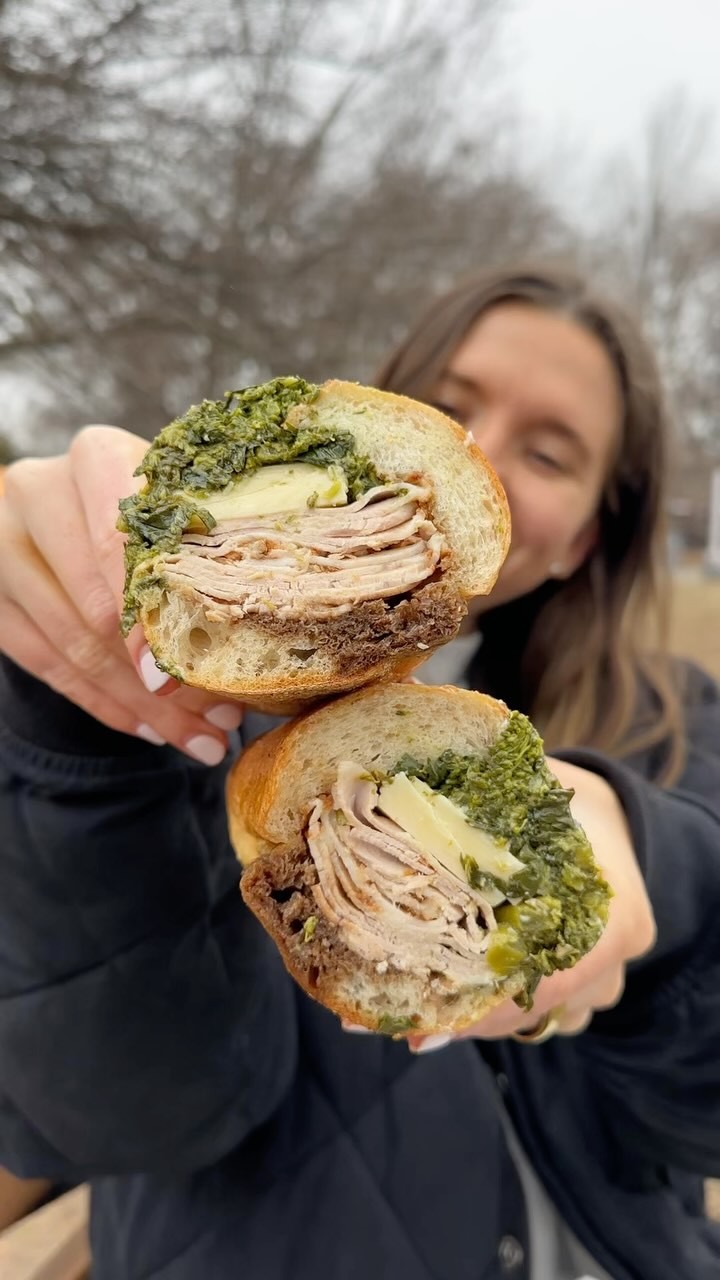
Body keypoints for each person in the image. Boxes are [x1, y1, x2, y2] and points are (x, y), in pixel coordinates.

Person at [0, 264, 718, 1280]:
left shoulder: (677, 726)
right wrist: (64, 715)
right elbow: (121, 1112)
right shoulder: (186, 732)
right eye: (452, 404)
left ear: (586, 538)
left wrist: (664, 873)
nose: (482, 452)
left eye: (549, 452)